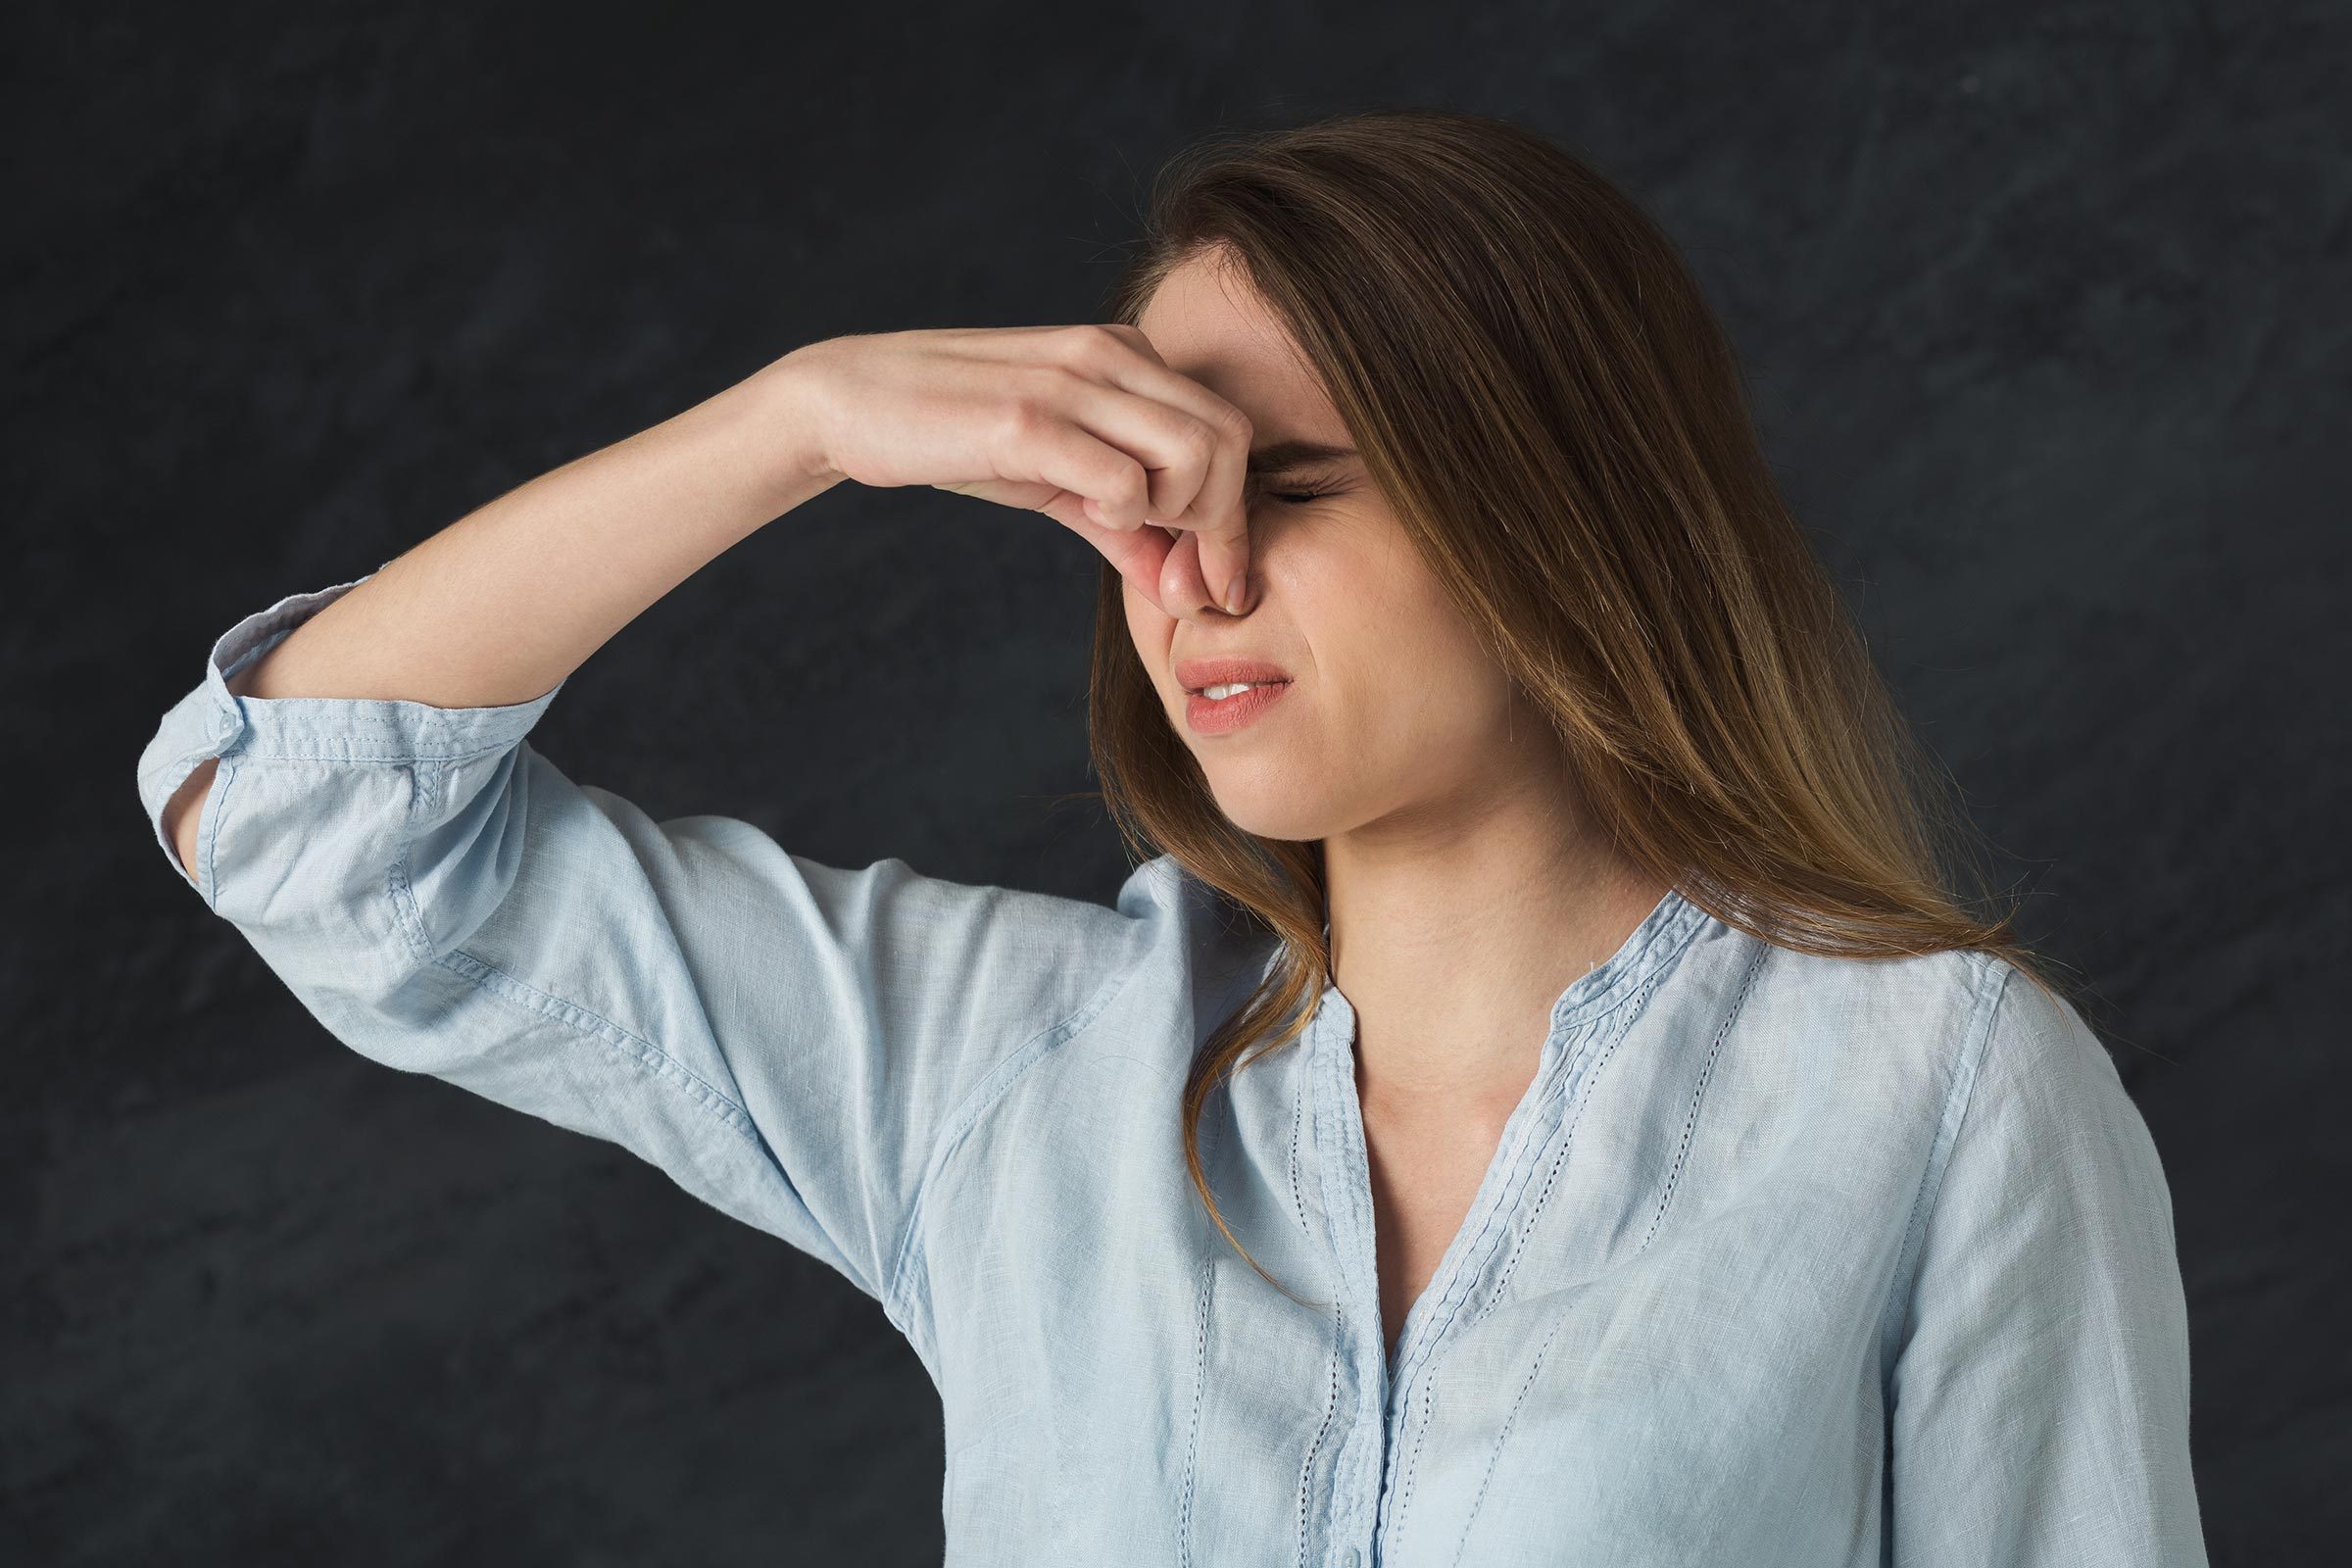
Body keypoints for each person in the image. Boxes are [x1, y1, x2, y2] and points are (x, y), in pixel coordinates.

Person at [134, 108, 2207, 1565]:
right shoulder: (1009, 1072)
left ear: (1558, 510)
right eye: (1143, 499)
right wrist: (795, 425)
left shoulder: (1936, 1087)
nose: (1189, 573)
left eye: (1288, 483)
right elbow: (298, 820)